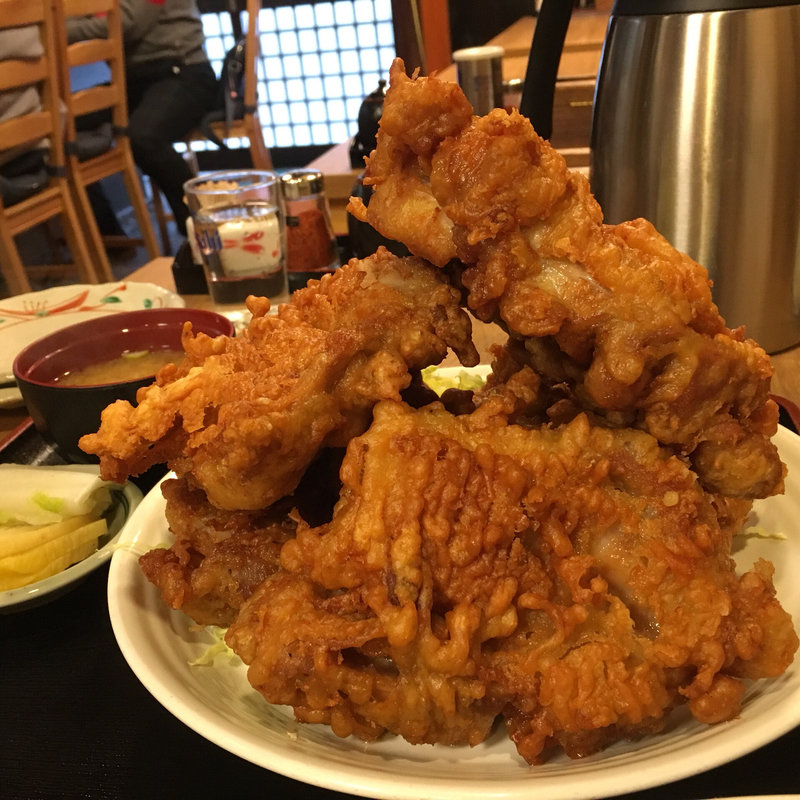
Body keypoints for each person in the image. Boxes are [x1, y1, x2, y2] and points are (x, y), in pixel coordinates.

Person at [66, 0, 218, 237]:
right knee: (61, 126)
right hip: (133, 82)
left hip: (183, 72)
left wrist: (47, 31)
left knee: (144, 136)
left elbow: (127, 21)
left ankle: (202, 230)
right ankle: (108, 237)